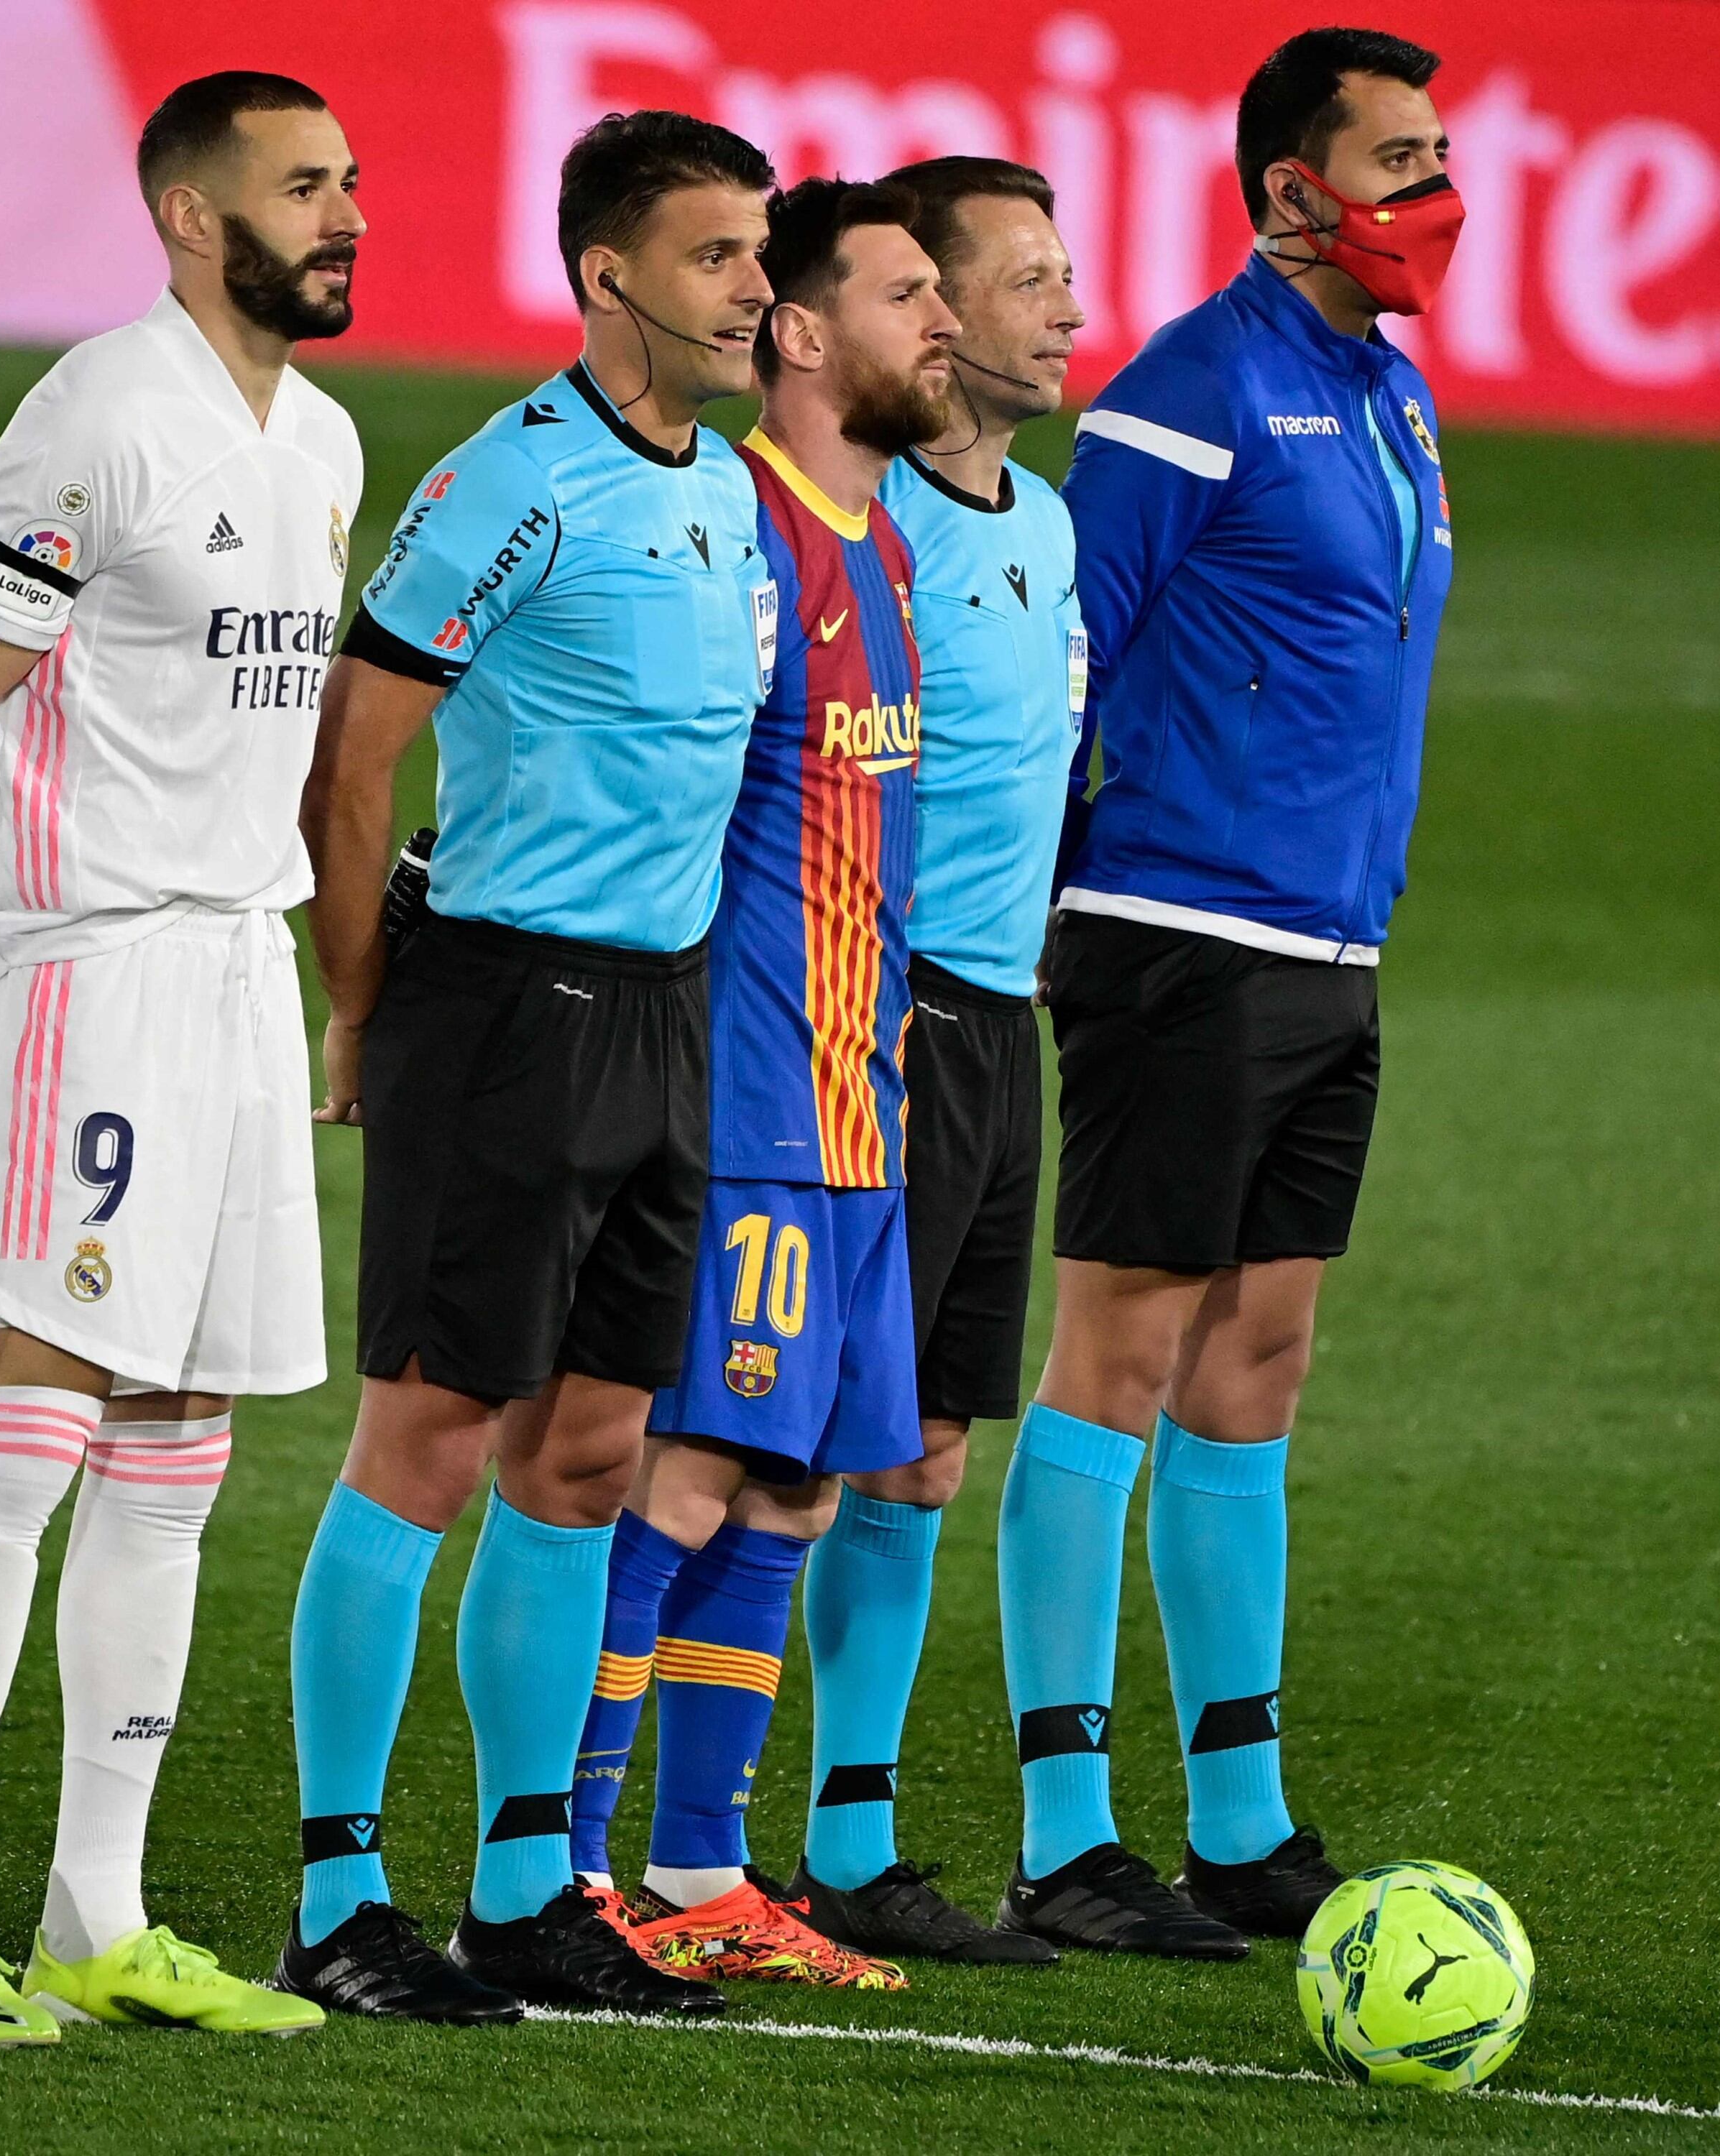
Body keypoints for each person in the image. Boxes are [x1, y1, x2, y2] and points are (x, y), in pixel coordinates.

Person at [0, 72, 365, 2047]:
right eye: (299, 188)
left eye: (348, 185)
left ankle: (95, 1910)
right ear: (183, 213)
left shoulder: (316, 441)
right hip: (84, 975)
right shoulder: (94, 416)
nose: (340, 217)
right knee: (33, 1423)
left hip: (229, 977)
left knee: (178, 1445)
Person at [275, 109, 780, 2025]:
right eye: (717, 253)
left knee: (580, 1459)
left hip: (656, 1017)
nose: (752, 285)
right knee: (418, 1442)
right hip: (497, 1008)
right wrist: (355, 1003)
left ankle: (521, 1894)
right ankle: (337, 1897)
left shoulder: (723, 488)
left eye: (758, 251)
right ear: (607, 275)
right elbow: (352, 755)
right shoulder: (508, 484)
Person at [1009, 26, 1463, 1950]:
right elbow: (1058, 655)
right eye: (1397, 158)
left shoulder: (1389, 393)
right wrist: (1045, 915)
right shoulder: (1184, 394)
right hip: (1182, 939)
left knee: (1256, 1361)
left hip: (1329, 953)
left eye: (1439, 153)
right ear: (1290, 188)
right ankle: (1059, 1830)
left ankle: (1240, 1817)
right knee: (1115, 1354)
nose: (1431, 196)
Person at [556, 175, 956, 1994]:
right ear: (803, 333)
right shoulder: (744, 531)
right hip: (751, 1102)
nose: (939, 324)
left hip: (865, 1104)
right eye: (905, 294)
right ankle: (565, 1866)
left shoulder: (874, 543)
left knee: (793, 1486)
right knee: (693, 1462)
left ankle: (705, 1871)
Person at [768, 154, 1091, 1966]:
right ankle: (655, 1840)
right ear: (934, 314)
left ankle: (857, 1837)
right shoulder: (859, 531)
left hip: (995, 1024)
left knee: (927, 1450)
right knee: (784, 1445)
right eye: (1027, 278)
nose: (1065, 308)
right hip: (865, 1024)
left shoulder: (1038, 525)